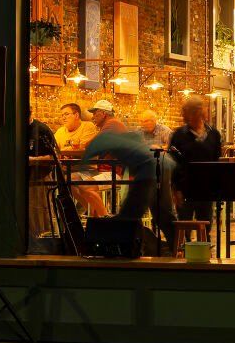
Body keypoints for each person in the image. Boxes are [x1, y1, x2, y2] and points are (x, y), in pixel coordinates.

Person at [81, 113, 175, 253]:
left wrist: (83, 164)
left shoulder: (105, 140)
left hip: (151, 168)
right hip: (161, 165)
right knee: (160, 212)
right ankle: (175, 246)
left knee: (133, 213)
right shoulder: (126, 139)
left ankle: (129, 249)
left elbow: (87, 156)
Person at [167, 95, 223, 222]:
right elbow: (174, 163)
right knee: (184, 225)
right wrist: (176, 189)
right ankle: (185, 242)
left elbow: (216, 160)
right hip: (185, 187)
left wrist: (215, 187)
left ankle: (204, 242)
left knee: (205, 225)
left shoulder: (213, 134)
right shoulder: (179, 135)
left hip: (206, 188)